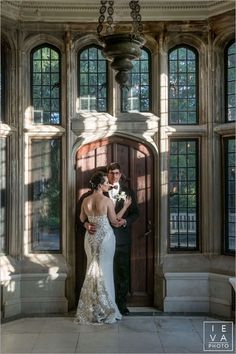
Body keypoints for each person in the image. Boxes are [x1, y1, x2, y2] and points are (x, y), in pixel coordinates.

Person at [75, 171, 131, 324]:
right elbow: (114, 221)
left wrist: (87, 224)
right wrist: (125, 207)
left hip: (90, 238)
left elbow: (81, 219)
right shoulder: (107, 201)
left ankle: (92, 309)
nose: (109, 184)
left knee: (92, 268)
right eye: (106, 182)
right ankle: (107, 309)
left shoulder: (86, 200)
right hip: (105, 238)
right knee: (104, 271)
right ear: (100, 185)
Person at [84, 162, 139, 316]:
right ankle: (103, 303)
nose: (114, 176)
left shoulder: (128, 192)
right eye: (111, 173)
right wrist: (86, 224)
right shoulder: (98, 193)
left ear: (120, 175)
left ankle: (120, 305)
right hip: (101, 239)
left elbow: (136, 213)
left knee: (122, 272)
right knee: (104, 271)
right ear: (107, 175)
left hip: (122, 239)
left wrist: (126, 221)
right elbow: (83, 217)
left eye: (117, 173)